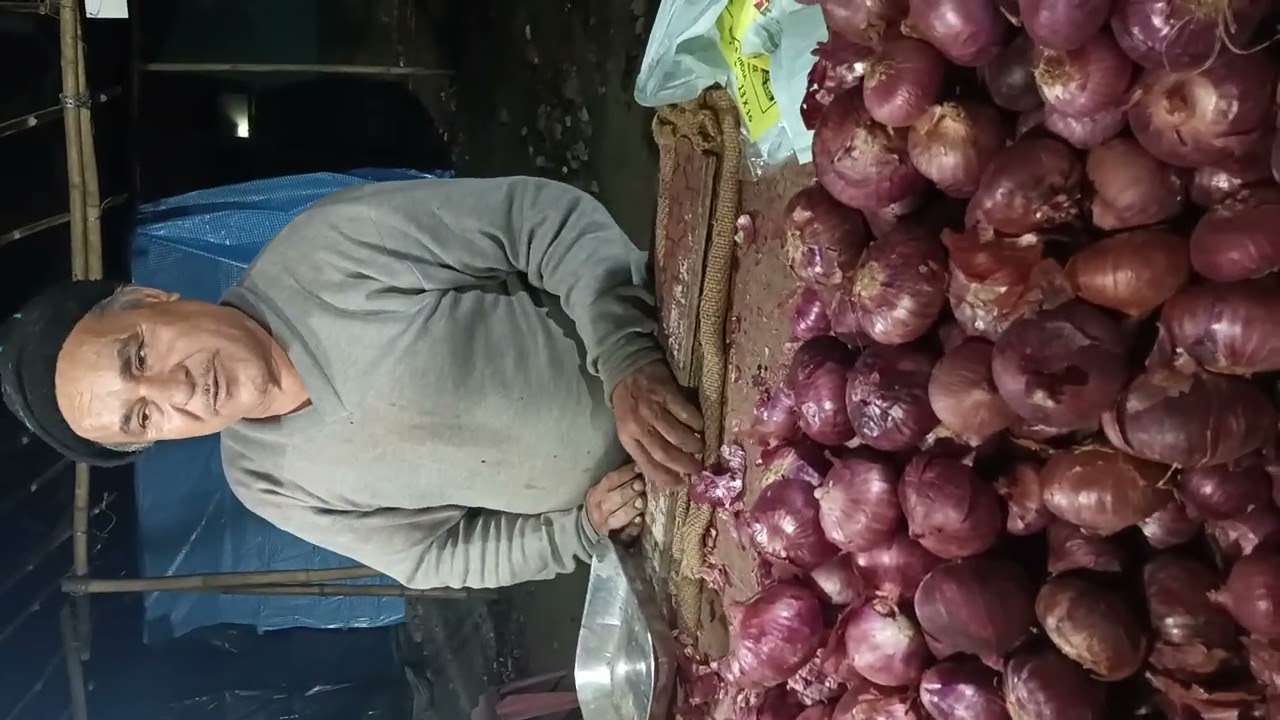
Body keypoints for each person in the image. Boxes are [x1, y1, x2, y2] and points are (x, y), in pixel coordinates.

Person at [0, 177, 704, 589]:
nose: (176, 393)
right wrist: (578, 532)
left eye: (137, 359)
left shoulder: (326, 250)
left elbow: (542, 221)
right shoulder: (264, 482)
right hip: (659, 510)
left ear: (151, 299)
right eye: (143, 419)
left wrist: (627, 359)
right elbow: (434, 558)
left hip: (681, 353)